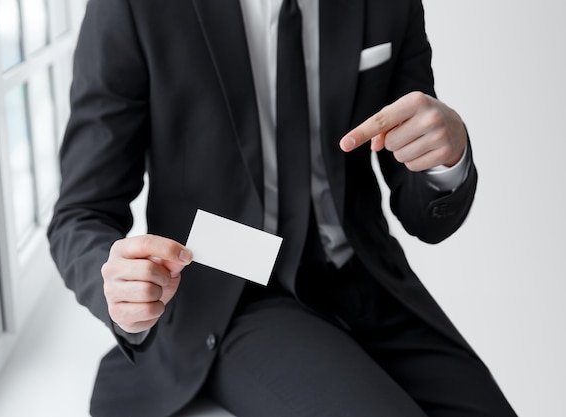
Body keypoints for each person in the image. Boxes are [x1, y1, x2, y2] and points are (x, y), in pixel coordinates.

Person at [47, 0, 517, 416]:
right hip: (232, 292)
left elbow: (421, 213)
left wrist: (448, 159)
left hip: (364, 277)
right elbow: (81, 212)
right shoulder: (133, 6)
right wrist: (115, 282)